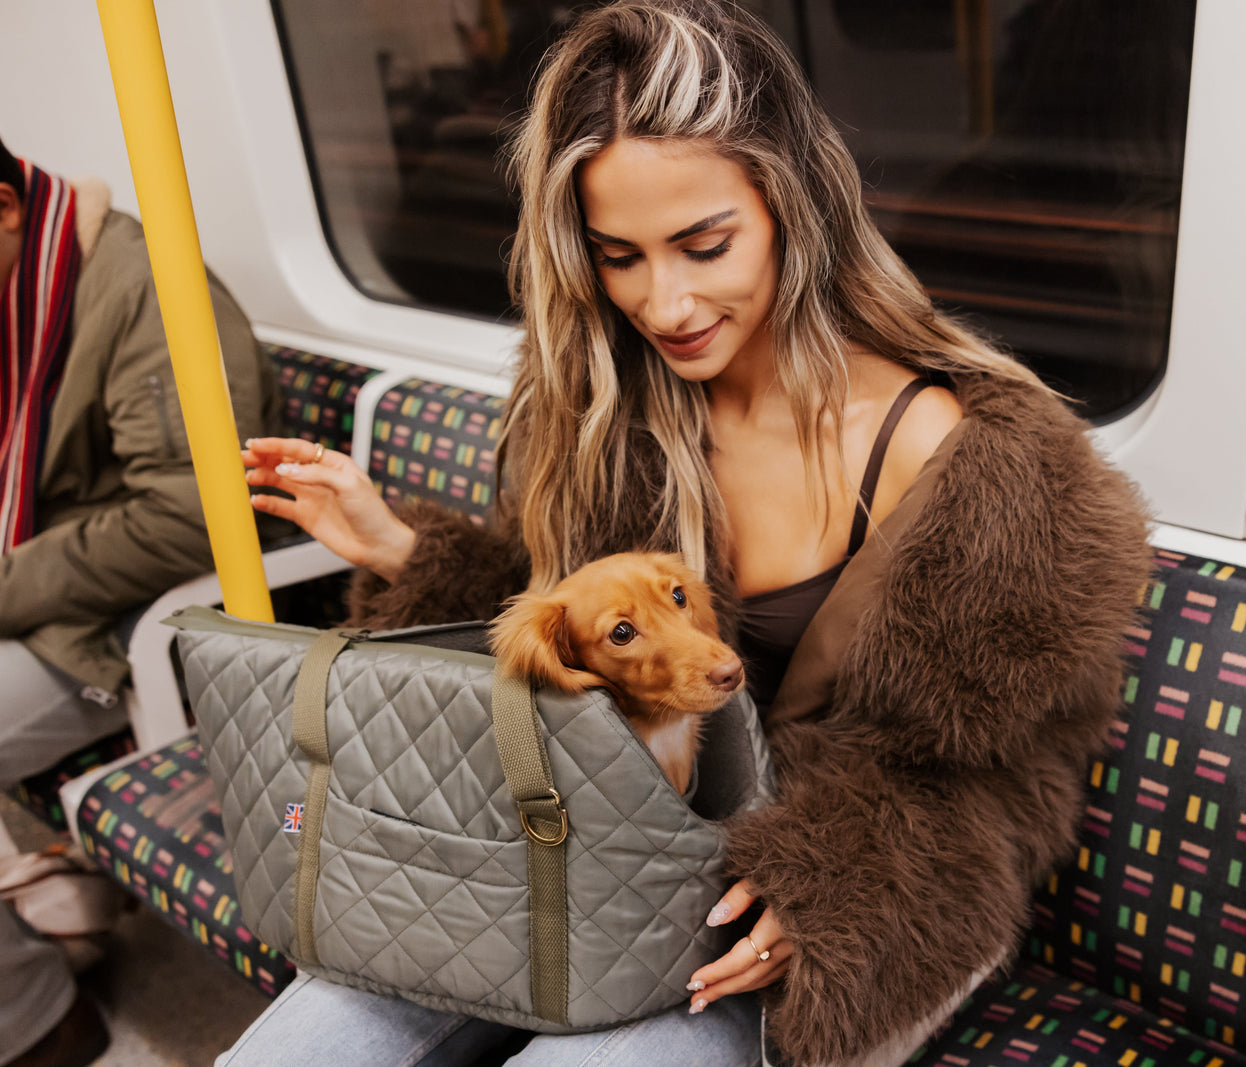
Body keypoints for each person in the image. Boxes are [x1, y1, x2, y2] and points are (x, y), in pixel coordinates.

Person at [231, 1, 1151, 1064]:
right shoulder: (603, 415)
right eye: (620, 257)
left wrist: (834, 889)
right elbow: (578, 648)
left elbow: (1002, 787)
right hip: (617, 844)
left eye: (703, 244)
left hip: (836, 907)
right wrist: (403, 548)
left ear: (793, 206)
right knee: (316, 1032)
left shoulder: (974, 462)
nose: (663, 303)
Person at [0, 138, 281, 1067]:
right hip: (48, 585)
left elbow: (186, 520)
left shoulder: (148, 291)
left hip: (121, 628)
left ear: (5, 209)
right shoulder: (15, 287)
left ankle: (36, 1021)